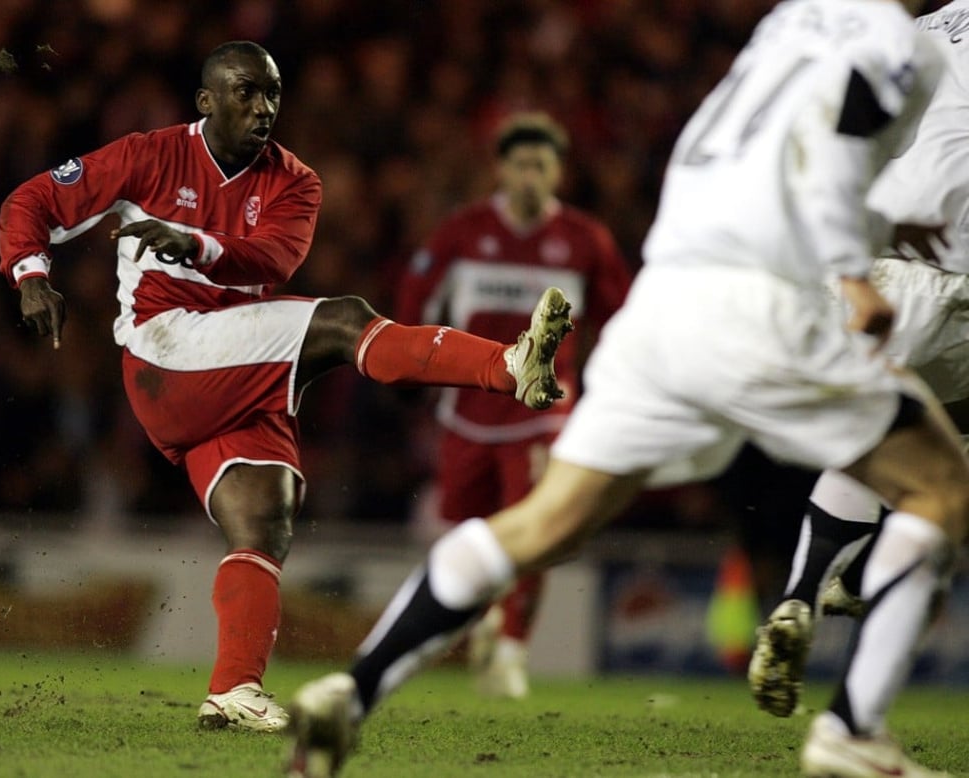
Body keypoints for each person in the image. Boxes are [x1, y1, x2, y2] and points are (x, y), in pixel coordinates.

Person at [282, 3, 969, 777]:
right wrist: (851, 268)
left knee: (545, 523)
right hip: (765, 300)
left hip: (666, 296)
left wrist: (876, 234)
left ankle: (354, 688)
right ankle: (852, 728)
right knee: (940, 486)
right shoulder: (896, 41)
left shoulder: (790, 22)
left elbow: (763, 152)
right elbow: (842, 153)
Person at [0, 40, 574, 734]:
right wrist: (31, 275)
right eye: (245, 92)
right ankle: (507, 366)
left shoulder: (295, 181)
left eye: (272, 92)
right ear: (207, 101)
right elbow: (33, 199)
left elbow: (274, 258)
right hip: (166, 352)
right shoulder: (148, 156)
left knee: (265, 517)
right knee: (346, 322)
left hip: (234, 365)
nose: (263, 107)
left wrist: (199, 245)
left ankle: (233, 690)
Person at [748, 0, 969, 721]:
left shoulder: (923, 30)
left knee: (888, 431)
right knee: (943, 473)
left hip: (871, 262)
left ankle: (802, 593)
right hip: (955, 272)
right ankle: (855, 701)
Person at [394, 111, 632, 699]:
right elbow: (415, 303)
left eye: (541, 166)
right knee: (463, 529)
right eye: (521, 164)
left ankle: (511, 648)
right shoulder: (462, 232)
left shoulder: (584, 240)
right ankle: (484, 619)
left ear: (558, 173)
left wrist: (608, 387)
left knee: (535, 526)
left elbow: (621, 320)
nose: (530, 176)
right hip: (468, 410)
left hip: (543, 415)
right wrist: (414, 372)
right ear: (500, 170)